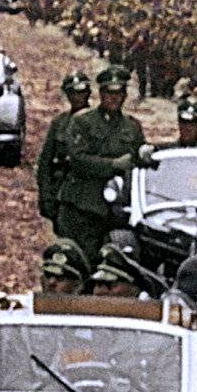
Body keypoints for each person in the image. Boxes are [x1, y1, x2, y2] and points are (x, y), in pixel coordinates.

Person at [60, 65, 146, 263]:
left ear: (125, 95)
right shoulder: (83, 122)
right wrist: (113, 164)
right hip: (84, 206)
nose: (114, 98)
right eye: (109, 93)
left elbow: (138, 162)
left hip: (118, 210)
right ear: (101, 93)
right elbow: (78, 160)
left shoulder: (132, 127)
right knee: (81, 262)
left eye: (119, 93)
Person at [36, 71, 92, 228]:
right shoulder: (59, 123)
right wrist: (46, 197)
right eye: (73, 93)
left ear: (88, 93)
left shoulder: (98, 122)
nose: (77, 97)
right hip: (61, 193)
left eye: (82, 93)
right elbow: (45, 163)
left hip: (90, 194)